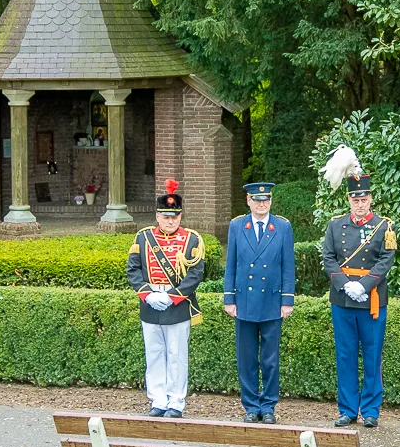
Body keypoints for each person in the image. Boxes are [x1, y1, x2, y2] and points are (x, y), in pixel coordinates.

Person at [321, 164, 396, 428]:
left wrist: (363, 285)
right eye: (355, 199)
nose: (360, 203)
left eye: (364, 199)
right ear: (349, 200)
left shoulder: (384, 226)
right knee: (345, 354)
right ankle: (348, 409)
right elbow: (328, 258)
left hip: (372, 298)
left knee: (373, 355)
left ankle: (372, 410)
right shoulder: (335, 225)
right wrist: (344, 284)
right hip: (342, 299)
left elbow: (386, 260)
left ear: (371, 199)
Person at [126, 179, 206, 418]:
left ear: (180, 217)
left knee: (177, 356)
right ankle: (158, 400)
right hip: (150, 303)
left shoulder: (192, 240)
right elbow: (133, 269)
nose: (170, 221)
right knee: (154, 355)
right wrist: (147, 294)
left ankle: (176, 403)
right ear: (157, 216)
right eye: (166, 216)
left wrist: (172, 297)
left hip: (177, 305)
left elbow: (196, 273)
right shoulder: (143, 238)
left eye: (175, 217)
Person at [223, 182, 296, 424]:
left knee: (270, 359)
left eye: (265, 200)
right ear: (248, 201)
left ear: (271, 201)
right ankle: (251, 406)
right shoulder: (237, 225)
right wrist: (229, 298)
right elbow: (231, 264)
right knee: (246, 358)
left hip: (272, 301)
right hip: (244, 301)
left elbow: (288, 266)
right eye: (257, 200)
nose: (262, 204)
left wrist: (287, 299)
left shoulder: (282, 227)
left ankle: (269, 406)